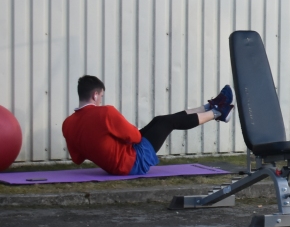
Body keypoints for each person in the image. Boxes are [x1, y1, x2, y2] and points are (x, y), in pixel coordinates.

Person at [62, 75, 234, 176]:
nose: (101, 100)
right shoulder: (105, 113)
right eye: (101, 96)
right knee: (167, 123)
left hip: (118, 164)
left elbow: (77, 159)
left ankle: (209, 107)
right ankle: (218, 113)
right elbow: (135, 136)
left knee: (159, 120)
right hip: (132, 162)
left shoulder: (68, 124)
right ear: (95, 95)